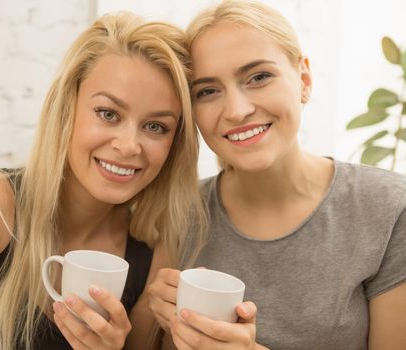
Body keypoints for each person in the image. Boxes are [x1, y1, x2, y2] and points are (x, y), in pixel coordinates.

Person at [0, 12, 206, 350]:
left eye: (156, 127)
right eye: (108, 114)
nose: (128, 146)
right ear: (67, 108)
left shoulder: (154, 253)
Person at [147, 1, 406, 349]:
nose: (238, 111)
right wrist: (157, 318)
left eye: (259, 77)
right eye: (208, 91)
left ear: (304, 80)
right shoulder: (180, 213)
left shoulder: (388, 209)